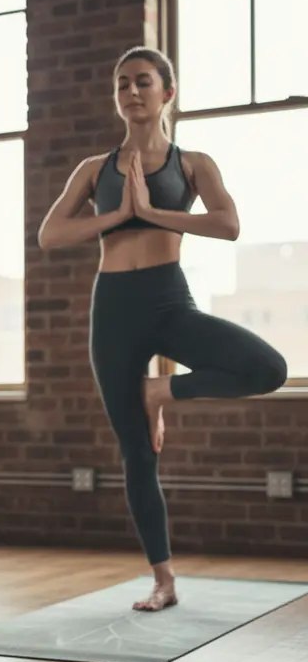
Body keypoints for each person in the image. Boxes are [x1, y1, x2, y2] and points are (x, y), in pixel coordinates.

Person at [37, 46, 287, 612]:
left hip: (168, 300)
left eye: (143, 82)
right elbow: (51, 235)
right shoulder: (93, 170)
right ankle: (164, 579)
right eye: (122, 84)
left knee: (267, 368)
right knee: (137, 454)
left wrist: (152, 212)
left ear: (167, 93)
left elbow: (228, 225)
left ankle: (160, 390)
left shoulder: (193, 163)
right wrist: (119, 215)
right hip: (115, 310)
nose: (131, 92)